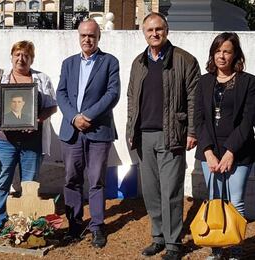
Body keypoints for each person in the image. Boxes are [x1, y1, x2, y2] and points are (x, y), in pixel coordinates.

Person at [126, 12, 200, 260]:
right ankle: (158, 238)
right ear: (144, 33)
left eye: (159, 29)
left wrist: (191, 131)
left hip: (172, 134)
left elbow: (194, 99)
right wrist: (130, 129)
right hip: (144, 136)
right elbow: (131, 99)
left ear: (166, 30)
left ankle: (173, 243)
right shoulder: (138, 63)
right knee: (151, 191)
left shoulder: (184, 60)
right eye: (150, 30)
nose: (154, 34)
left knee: (171, 191)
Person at [56, 19, 120, 248]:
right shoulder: (68, 63)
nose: (87, 39)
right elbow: (60, 93)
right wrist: (74, 117)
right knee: (71, 179)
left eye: (91, 35)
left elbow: (112, 94)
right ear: (78, 36)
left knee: (96, 181)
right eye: (83, 35)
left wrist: (88, 116)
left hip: (98, 131)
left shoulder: (110, 62)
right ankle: (74, 225)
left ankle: (97, 227)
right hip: (71, 131)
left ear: (98, 36)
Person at [0, 40, 57, 241]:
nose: (21, 58)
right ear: (12, 56)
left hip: (31, 141)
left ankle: (27, 223)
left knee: (30, 184)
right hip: (5, 141)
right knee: (1, 182)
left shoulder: (42, 79)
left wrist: (38, 119)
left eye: (25, 55)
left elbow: (52, 106)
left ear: (31, 58)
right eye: (17, 54)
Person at [194, 32, 255, 260]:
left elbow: (248, 121)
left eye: (227, 51)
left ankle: (236, 247)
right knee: (215, 200)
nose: (222, 56)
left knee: (236, 201)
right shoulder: (204, 81)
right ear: (213, 54)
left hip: (239, 151)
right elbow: (198, 119)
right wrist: (208, 152)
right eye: (218, 51)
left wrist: (230, 152)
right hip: (210, 151)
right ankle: (217, 247)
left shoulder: (248, 82)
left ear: (235, 54)